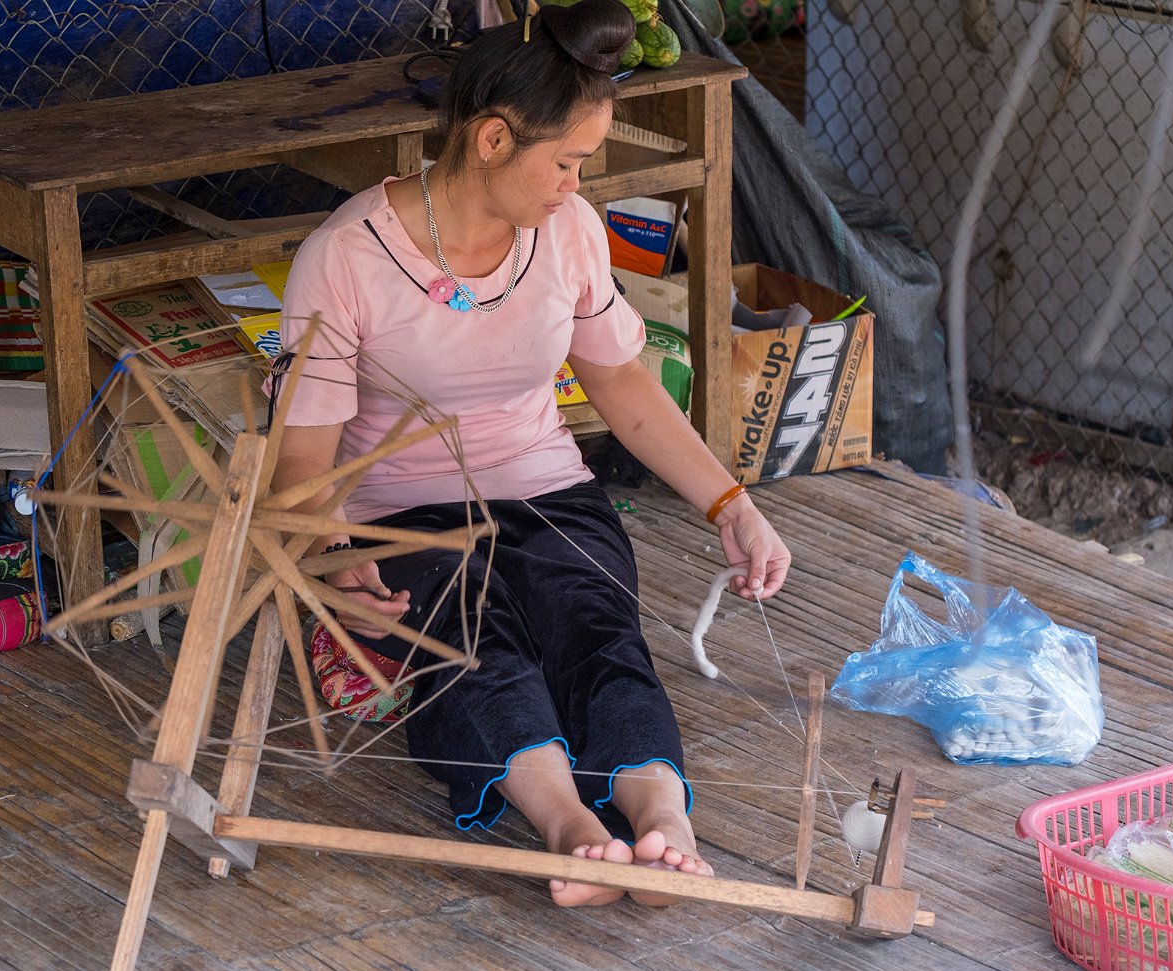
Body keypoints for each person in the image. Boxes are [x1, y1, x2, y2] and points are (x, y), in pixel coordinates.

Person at [273, 0, 791, 907]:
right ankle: (568, 828)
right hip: (402, 515)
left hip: (549, 491)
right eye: (566, 161)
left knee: (593, 628)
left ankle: (661, 816)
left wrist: (732, 505)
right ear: (492, 140)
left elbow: (623, 387)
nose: (574, 184)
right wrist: (330, 551)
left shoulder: (569, 232)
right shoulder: (346, 256)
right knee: (477, 643)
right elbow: (302, 456)